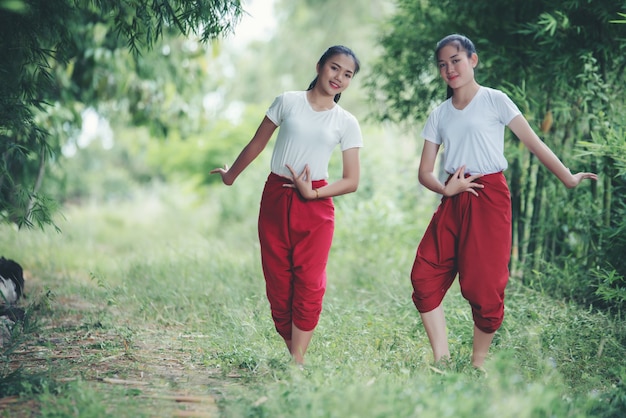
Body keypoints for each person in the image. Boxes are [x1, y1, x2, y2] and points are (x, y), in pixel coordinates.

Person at [410, 34, 598, 368]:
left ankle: (478, 364)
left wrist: (567, 176)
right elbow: (425, 171)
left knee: (485, 287)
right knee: (424, 275)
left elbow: (534, 142)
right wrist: (446, 190)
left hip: (489, 196)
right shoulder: (439, 115)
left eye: (455, 60)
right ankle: (442, 359)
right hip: (453, 198)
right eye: (442, 64)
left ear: (473, 60)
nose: (449, 68)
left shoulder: (495, 100)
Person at [210, 45, 362, 366]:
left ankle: (297, 362)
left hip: (316, 204)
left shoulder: (346, 122)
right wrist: (230, 176)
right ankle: (294, 351)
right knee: (278, 282)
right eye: (334, 68)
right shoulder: (287, 102)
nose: (339, 78)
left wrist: (313, 194)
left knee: (309, 281)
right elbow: (257, 142)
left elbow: (351, 180)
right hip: (276, 199)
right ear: (319, 65)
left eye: (347, 74)